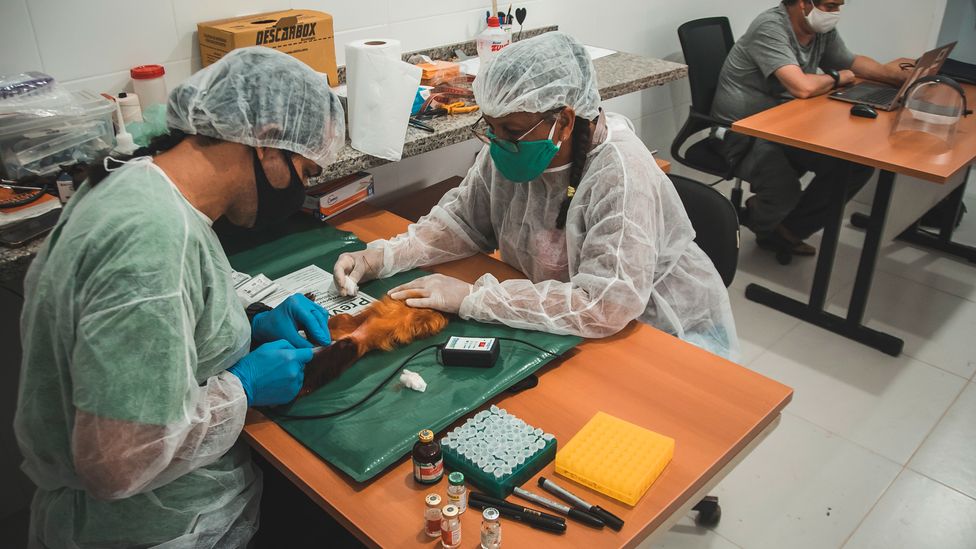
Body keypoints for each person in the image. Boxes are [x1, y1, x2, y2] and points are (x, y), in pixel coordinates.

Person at [14, 47, 344, 548]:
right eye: (304, 170)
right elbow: (119, 462)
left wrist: (246, 322)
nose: (299, 188)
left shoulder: (146, 186)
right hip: (154, 530)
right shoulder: (150, 238)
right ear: (269, 141)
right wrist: (243, 388)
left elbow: (159, 321)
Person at [333, 32, 739, 360]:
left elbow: (605, 305)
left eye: (510, 131)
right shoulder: (511, 149)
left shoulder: (620, 172)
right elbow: (459, 223)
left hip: (658, 334)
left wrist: (475, 297)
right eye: (490, 128)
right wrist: (379, 257)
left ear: (563, 119)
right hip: (563, 324)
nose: (498, 142)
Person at [711, 0, 908, 259]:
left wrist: (895, 78)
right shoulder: (770, 27)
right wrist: (838, 78)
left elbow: (851, 61)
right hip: (742, 130)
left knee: (853, 166)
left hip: (783, 124)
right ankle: (760, 219)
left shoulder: (818, 30)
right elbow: (801, 87)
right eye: (829, 6)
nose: (834, 13)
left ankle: (786, 230)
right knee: (785, 191)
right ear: (803, 3)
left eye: (839, 6)